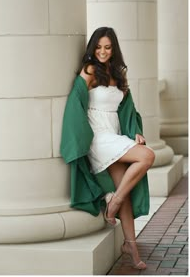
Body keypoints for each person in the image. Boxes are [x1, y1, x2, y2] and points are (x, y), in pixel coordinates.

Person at [60, 27, 155, 270]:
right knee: (147, 156)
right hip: (98, 137)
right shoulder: (89, 70)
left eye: (108, 47)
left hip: (114, 135)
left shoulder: (118, 74)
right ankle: (112, 204)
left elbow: (128, 109)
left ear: (114, 50)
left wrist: (135, 129)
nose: (102, 51)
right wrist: (78, 137)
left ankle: (131, 248)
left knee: (124, 191)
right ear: (93, 48)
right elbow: (75, 101)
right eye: (99, 46)